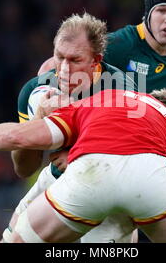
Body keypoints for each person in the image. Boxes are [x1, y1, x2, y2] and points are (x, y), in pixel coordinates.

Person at [38, 0, 166, 242]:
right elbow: (51, 67)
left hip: (155, 160)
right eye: (162, 11)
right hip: (104, 157)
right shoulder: (118, 45)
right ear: (148, 13)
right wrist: (66, 143)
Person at [0, 88, 166, 243]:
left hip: (89, 178)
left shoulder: (105, 98)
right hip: (149, 187)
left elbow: (20, 136)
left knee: (18, 238)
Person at [13, 12, 139, 243]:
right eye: (59, 57)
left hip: (107, 192)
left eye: (75, 60)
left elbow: (132, 160)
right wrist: (37, 122)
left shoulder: (120, 93)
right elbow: (23, 168)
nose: (63, 69)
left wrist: (77, 155)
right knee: (13, 236)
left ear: (96, 61)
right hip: (58, 179)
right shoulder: (35, 91)